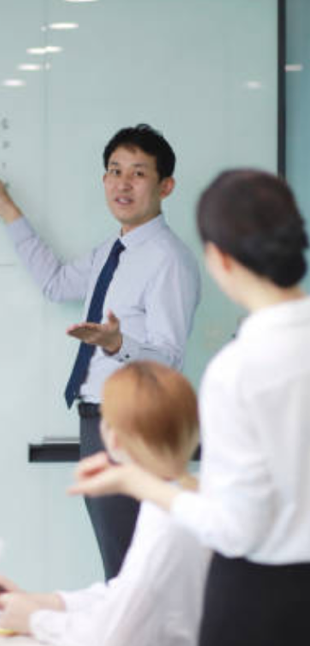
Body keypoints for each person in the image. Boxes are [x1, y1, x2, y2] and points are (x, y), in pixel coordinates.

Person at [71, 169, 310, 646]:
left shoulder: (239, 370)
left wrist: (137, 480)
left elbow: (233, 528)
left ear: (219, 258)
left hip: (260, 605)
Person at [0, 124, 200, 579]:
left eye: (138, 173)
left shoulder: (168, 259)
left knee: (130, 570)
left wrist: (118, 344)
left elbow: (170, 358)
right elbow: (55, 283)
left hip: (131, 427)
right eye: (114, 171)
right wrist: (8, 207)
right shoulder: (111, 253)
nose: (122, 183)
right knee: (121, 565)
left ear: (165, 186)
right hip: (98, 422)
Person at [0, 361, 208, 646]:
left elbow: (113, 635)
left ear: (113, 438)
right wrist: (42, 602)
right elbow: (126, 593)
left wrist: (35, 621)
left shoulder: (164, 519)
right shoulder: (191, 498)